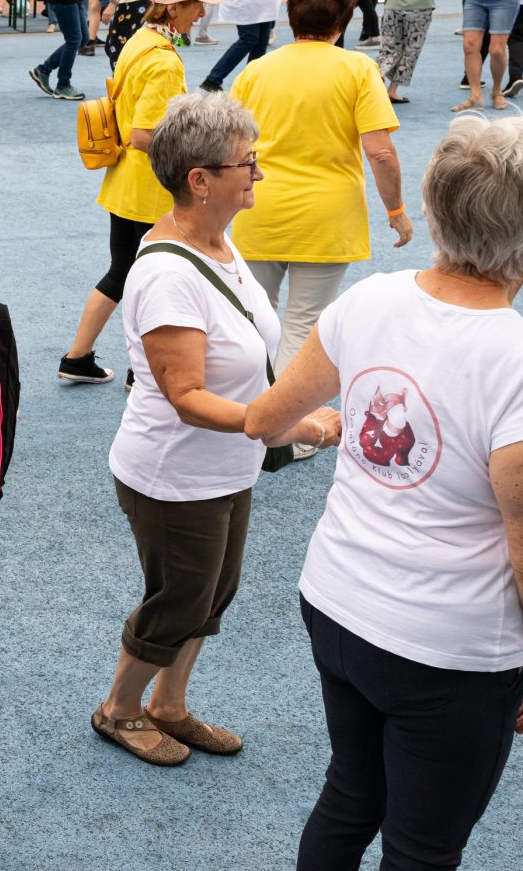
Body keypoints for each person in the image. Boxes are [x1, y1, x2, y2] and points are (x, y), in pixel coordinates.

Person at [246, 115, 523, 871]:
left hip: (340, 600)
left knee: (350, 792)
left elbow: (273, 412)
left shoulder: (369, 302)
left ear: (435, 207)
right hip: (448, 648)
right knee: (424, 854)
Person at [96, 92, 340, 769]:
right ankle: (119, 709)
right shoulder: (170, 273)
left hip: (224, 463)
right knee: (178, 598)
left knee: (213, 591)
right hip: (175, 471)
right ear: (199, 180)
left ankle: (169, 705)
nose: (256, 173)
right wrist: (286, 422)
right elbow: (185, 395)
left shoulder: (216, 240)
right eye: (246, 163)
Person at [230, 0, 409, 457]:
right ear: (344, 18)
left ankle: (247, 418)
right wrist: (395, 209)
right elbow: (381, 152)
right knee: (303, 326)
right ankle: (286, 428)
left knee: (253, 320)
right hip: (326, 216)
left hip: (258, 208)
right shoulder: (356, 70)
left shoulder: (256, 69)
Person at [61, 0, 222, 385]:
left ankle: (78, 357)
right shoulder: (164, 59)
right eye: (195, 4)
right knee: (156, 281)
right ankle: (142, 370)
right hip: (150, 187)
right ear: (173, 8)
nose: (201, 11)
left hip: (125, 182)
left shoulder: (140, 39)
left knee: (121, 272)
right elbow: (145, 134)